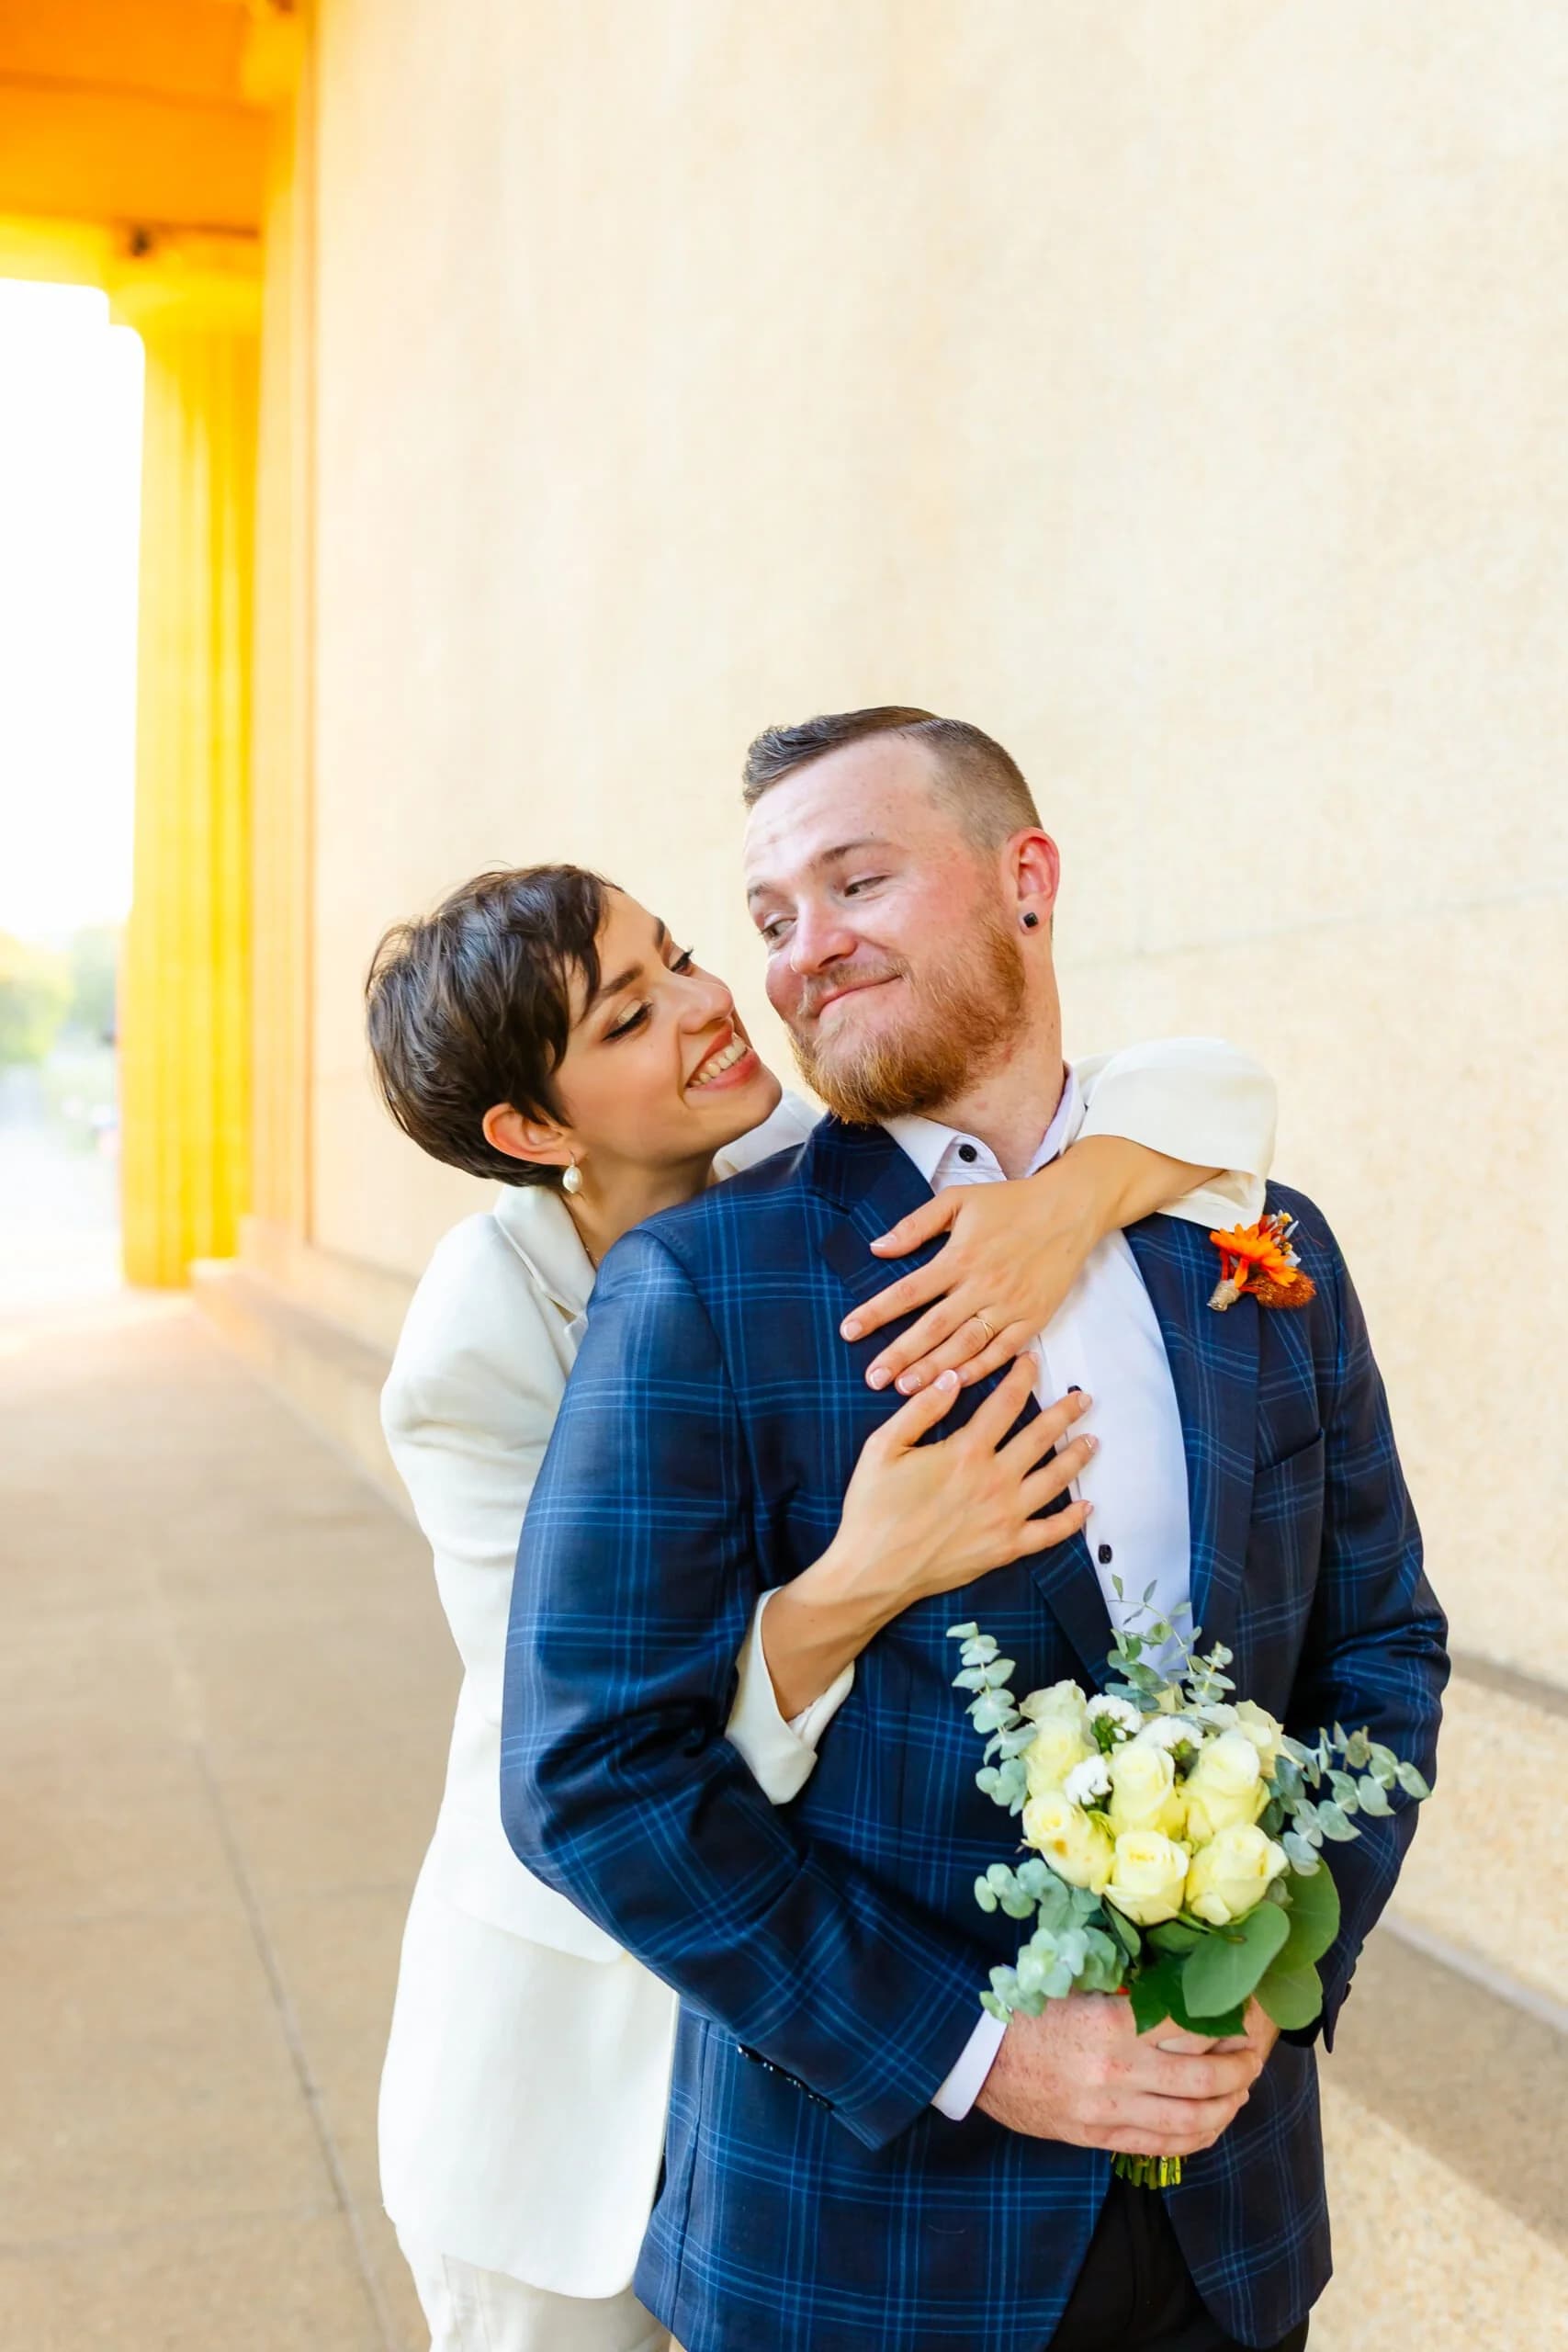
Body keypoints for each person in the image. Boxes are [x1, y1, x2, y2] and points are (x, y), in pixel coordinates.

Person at [502, 708, 1449, 2352]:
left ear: (1026, 878)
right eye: (775, 918)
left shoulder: (1262, 1241)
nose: (803, 954)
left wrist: (1280, 1961)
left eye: (857, 880)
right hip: (867, 2255)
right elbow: (588, 1774)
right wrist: (980, 2047)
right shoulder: (701, 1293)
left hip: (1235, 2231)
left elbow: (1382, 1645)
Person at [365, 857, 1280, 2352]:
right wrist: (863, 1578)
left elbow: (1218, 1089)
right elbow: (588, 1741)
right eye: (627, 1016)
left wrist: (1067, 1205)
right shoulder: (475, 1349)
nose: (711, 1006)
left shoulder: (817, 1152)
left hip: (803, 2037)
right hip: (580, 2045)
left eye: (675, 955)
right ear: (533, 1131)